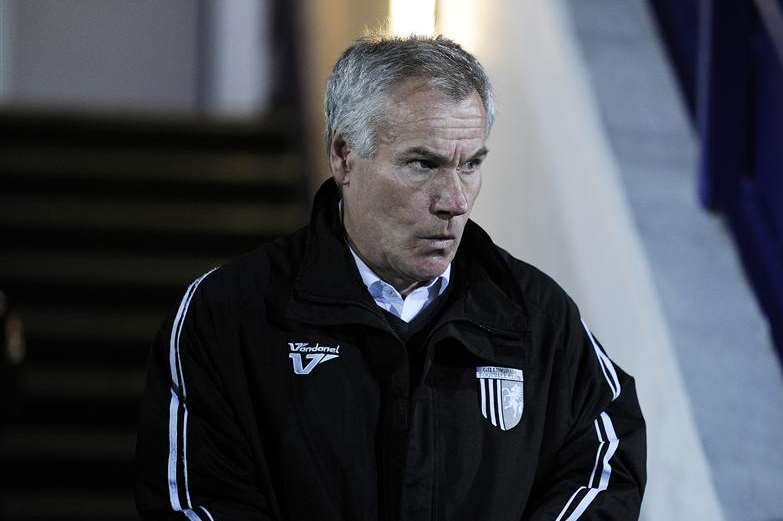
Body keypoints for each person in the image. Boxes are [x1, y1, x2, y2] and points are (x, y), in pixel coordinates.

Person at [135, 35, 646, 521]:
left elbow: (605, 456)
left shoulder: (537, 315)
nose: (455, 201)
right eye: (423, 164)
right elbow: (194, 501)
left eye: (470, 164)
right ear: (343, 157)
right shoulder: (228, 313)